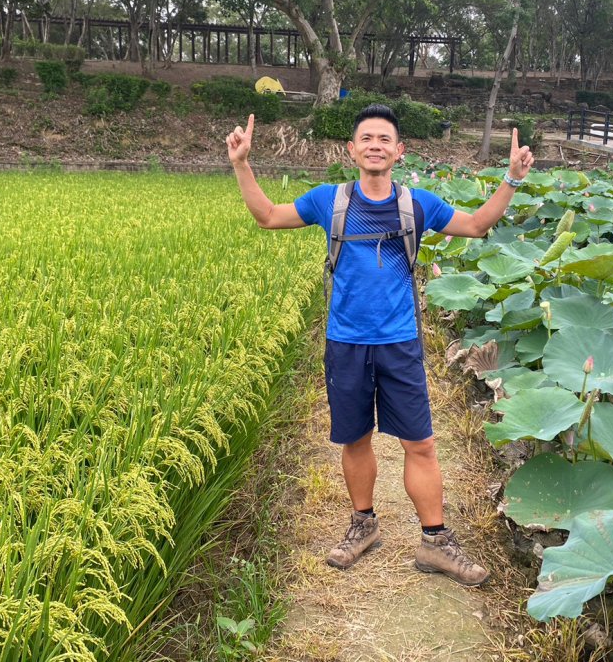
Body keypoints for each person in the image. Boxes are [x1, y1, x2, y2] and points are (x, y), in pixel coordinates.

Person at [226, 104, 533, 586]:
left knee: (422, 444)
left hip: (399, 343)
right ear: (352, 150)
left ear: (399, 151)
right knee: (354, 438)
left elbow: (475, 225)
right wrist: (242, 163)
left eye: (384, 139)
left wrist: (511, 180)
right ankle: (363, 524)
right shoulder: (331, 201)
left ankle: (435, 542)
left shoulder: (417, 205)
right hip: (345, 342)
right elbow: (267, 216)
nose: (375, 145)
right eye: (366, 138)